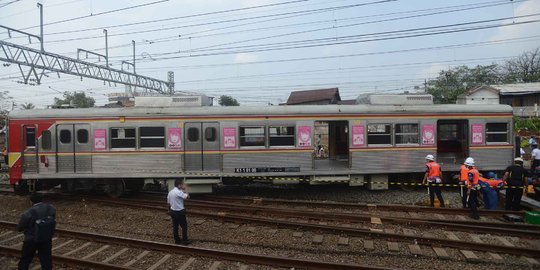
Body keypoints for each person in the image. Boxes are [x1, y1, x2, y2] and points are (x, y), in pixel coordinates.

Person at [16, 193, 56, 270]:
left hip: (31, 240)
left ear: (31, 201)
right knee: (46, 260)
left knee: (25, 259)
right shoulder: (51, 208)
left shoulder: (28, 213)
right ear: (42, 200)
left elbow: (20, 227)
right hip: (46, 238)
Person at [167, 179, 191, 245]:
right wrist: (186, 189)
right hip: (180, 212)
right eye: (182, 184)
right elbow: (187, 197)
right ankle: (184, 241)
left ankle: (177, 240)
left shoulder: (170, 192)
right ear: (179, 185)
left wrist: (169, 210)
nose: (183, 185)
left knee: (175, 226)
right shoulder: (179, 192)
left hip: (172, 211)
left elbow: (168, 203)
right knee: (184, 226)